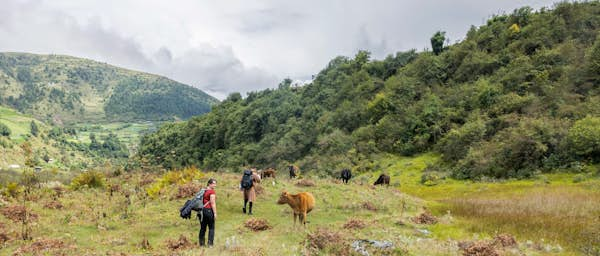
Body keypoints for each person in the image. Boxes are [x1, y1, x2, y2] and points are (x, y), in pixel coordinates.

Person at [199, 178, 217, 247]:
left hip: (202, 211)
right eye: (214, 184)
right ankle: (210, 244)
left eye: (215, 184)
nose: (215, 185)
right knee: (211, 228)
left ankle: (201, 244)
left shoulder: (203, 190)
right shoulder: (212, 192)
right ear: (209, 184)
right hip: (209, 210)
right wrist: (215, 213)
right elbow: (212, 203)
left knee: (203, 228)